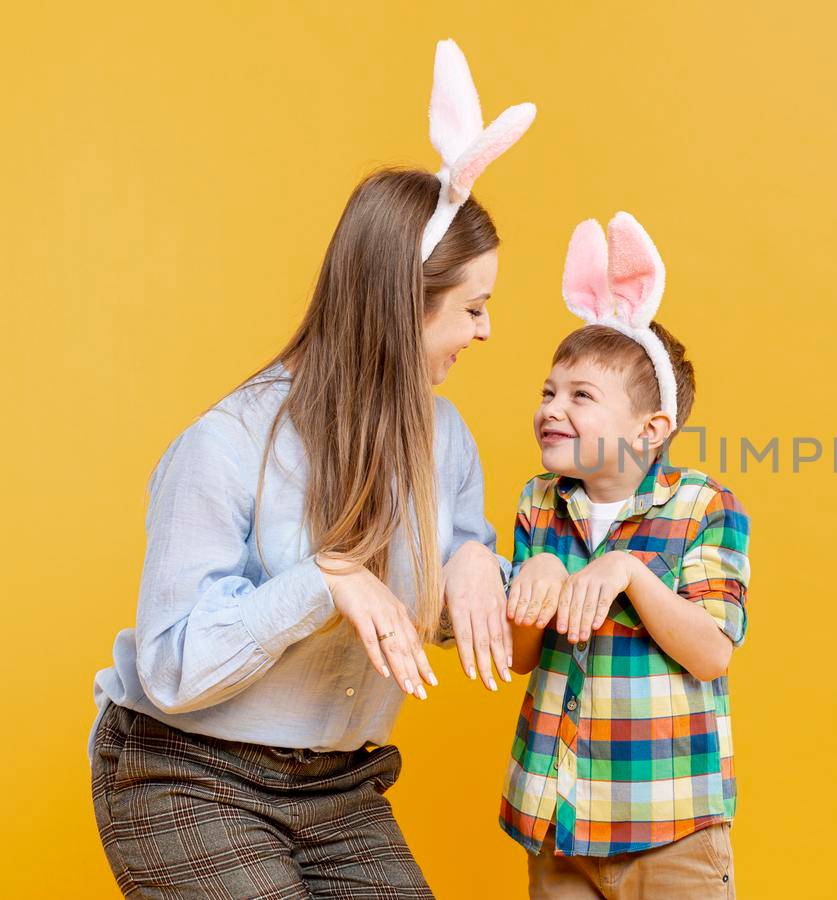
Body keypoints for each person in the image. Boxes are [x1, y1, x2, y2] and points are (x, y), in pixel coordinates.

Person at [87, 39, 535, 896]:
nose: (486, 333)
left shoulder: (446, 439)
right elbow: (175, 668)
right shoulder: (225, 445)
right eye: (473, 308)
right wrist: (326, 580)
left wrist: (480, 562)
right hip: (184, 770)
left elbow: (443, 607)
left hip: (339, 787)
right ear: (406, 305)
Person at [499, 213, 751, 898]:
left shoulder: (703, 506)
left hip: (667, 830)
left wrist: (630, 573)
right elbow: (522, 656)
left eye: (581, 395)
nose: (553, 408)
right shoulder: (538, 503)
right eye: (549, 392)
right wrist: (536, 576)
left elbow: (712, 653)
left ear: (651, 430)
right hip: (559, 823)